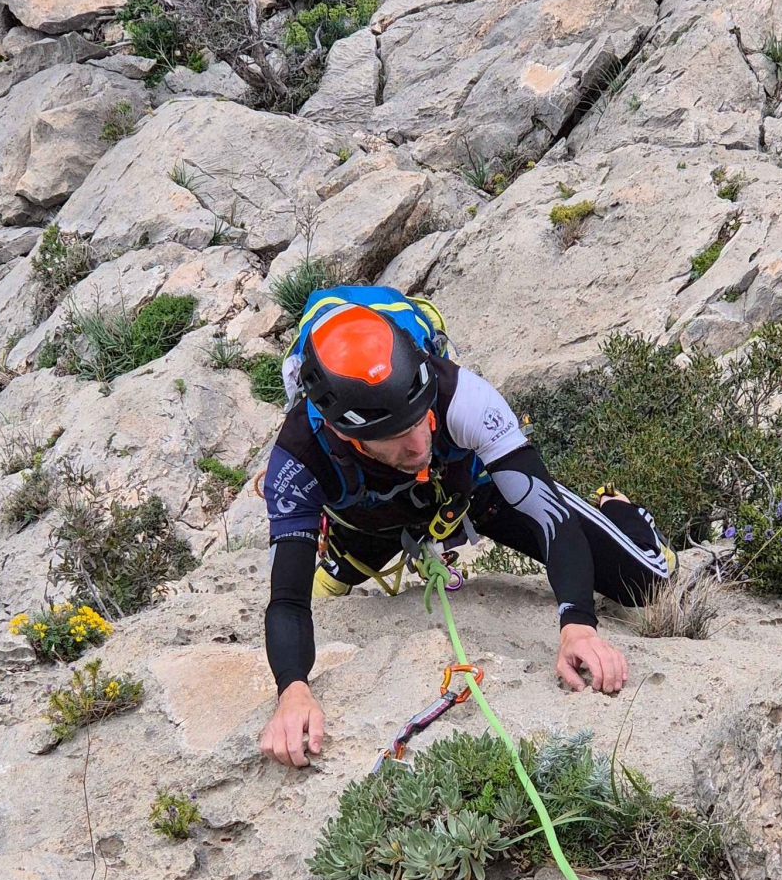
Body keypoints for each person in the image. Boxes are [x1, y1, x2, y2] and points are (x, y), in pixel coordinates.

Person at [257, 287, 676, 767]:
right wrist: (292, 691)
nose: (419, 444)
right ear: (340, 431)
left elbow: (551, 519)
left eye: (421, 420)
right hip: (367, 521)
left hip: (470, 493)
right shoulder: (298, 456)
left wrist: (578, 626)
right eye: (394, 435)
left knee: (649, 580)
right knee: (326, 572)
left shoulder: (460, 394)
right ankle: (344, 554)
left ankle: (620, 510)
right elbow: (287, 601)